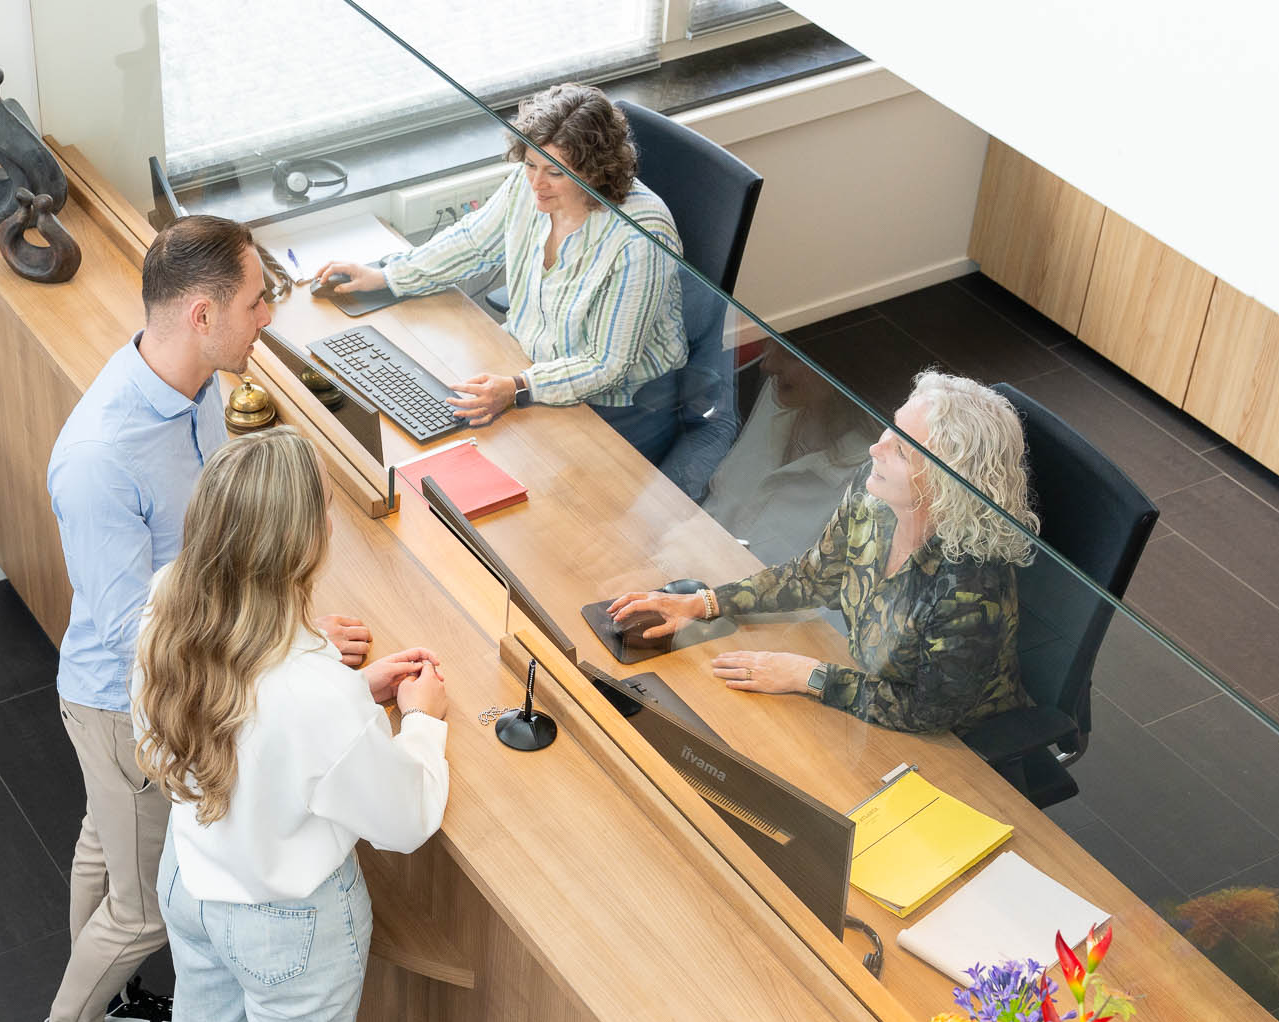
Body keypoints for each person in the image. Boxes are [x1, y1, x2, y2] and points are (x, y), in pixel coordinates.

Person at [35, 216, 371, 1022]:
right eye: (258, 300)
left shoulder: (199, 390)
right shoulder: (102, 456)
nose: (269, 315)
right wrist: (282, 655)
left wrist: (290, 625)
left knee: (106, 851)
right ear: (201, 312)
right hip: (125, 705)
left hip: (146, 689)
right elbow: (131, 630)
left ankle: (110, 998)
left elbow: (216, 557)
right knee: (144, 909)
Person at [131, 426, 449, 1022]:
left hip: (193, 884)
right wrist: (419, 718)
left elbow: (250, 714)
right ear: (299, 546)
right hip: (291, 926)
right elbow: (407, 815)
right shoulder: (315, 692)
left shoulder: (170, 602)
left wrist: (355, 688)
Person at [608, 371, 1038, 735]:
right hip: (864, 688)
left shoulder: (972, 586)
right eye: (891, 427)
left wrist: (805, 676)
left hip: (953, 743)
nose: (876, 448)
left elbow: (928, 711)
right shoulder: (875, 502)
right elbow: (813, 577)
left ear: (948, 487)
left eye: (902, 449)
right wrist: (704, 603)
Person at [314, 83, 685, 456]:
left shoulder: (640, 237)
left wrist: (518, 387)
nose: (536, 184)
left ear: (594, 171)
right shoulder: (531, 187)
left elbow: (607, 364)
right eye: (529, 165)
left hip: (619, 404)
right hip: (526, 365)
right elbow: (474, 242)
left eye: (554, 172)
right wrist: (388, 276)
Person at [698, 341, 880, 566]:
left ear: (843, 368)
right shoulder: (782, 395)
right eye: (772, 343)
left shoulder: (873, 477)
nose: (767, 364)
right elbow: (720, 497)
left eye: (791, 354)